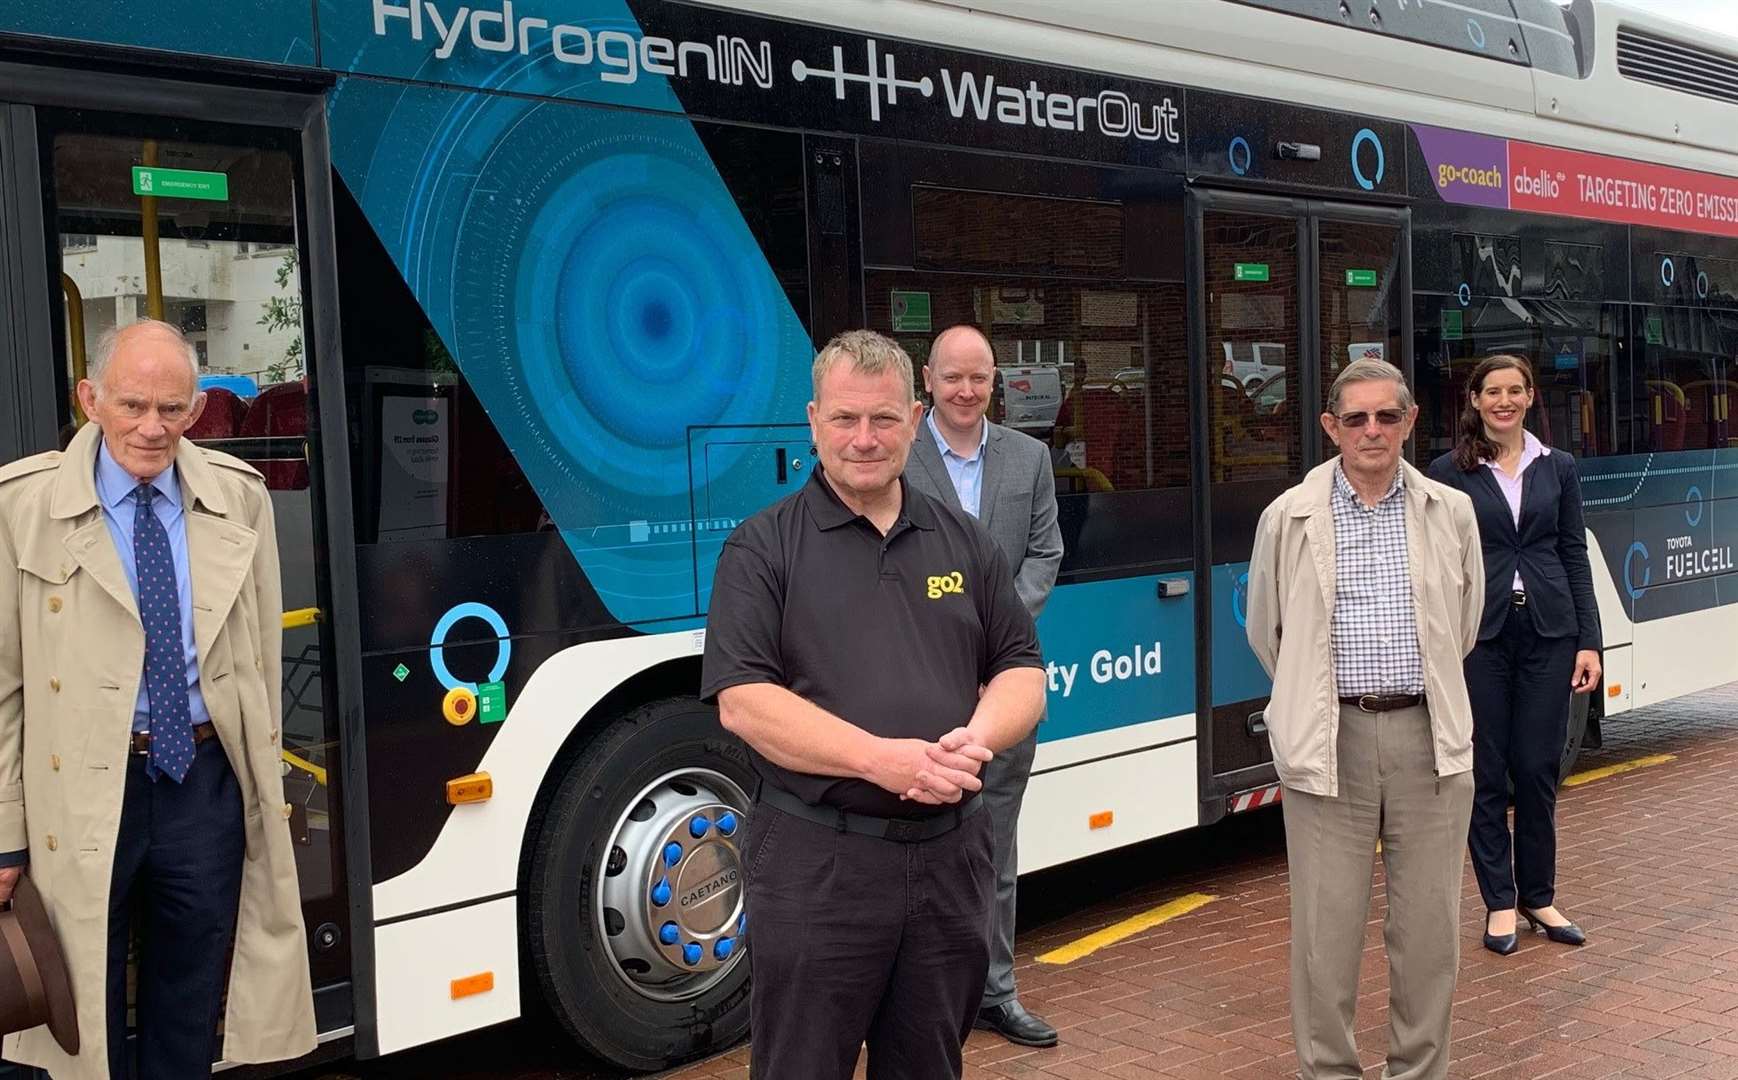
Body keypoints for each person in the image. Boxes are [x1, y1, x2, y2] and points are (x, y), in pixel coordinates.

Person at [702, 329, 1047, 1079]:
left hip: (951, 860)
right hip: (818, 865)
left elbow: (1022, 669)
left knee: (930, 1065)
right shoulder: (761, 550)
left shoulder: (965, 542)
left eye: (884, 419)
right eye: (845, 419)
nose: (865, 439)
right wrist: (883, 762)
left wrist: (973, 741)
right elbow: (744, 703)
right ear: (813, 421)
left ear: (915, 419)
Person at [0, 320, 316, 1079]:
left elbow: (260, 665)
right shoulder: (21, 505)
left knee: (190, 994)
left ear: (199, 409)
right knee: (82, 998)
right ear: (91, 400)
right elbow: (4, 688)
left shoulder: (240, 500)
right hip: (76, 789)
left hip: (201, 782)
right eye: (133, 404)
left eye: (171, 410)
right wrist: (6, 833)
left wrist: (263, 784)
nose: (152, 428)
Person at [1245, 357, 1483, 1080]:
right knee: (1325, 935)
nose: (1372, 430)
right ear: (1331, 428)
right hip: (1331, 738)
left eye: (1388, 416)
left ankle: (1419, 1072)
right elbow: (1268, 633)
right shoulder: (1287, 518)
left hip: (1427, 736)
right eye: (1356, 418)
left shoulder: (1453, 511)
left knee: (1430, 934)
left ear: (1410, 421)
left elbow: (1463, 626)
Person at [904, 324, 1062, 1049]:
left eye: (980, 378)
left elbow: (1044, 554)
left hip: (1000, 686)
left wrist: (993, 620)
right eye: (952, 378)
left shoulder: (1028, 459)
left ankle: (997, 992)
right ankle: (918, 1000)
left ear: (995, 382)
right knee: (911, 856)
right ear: (927, 381)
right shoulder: (895, 456)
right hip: (912, 685)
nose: (966, 391)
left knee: (994, 852)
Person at [1426, 354, 1602, 955]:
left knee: (1536, 768)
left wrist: (1589, 640)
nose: (1504, 400)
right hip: (1481, 634)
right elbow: (1435, 562)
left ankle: (1540, 896)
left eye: (1515, 390)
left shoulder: (1560, 467)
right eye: (1491, 391)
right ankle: (1500, 903)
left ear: (1530, 397)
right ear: (1473, 400)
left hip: (1550, 633)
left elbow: (1573, 553)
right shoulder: (1449, 472)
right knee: (1485, 774)